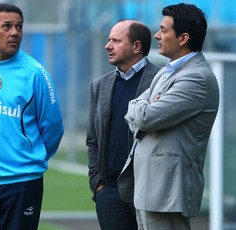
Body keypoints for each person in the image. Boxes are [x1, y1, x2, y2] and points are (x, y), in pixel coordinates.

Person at [0, 3, 64, 229]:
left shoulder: (35, 73)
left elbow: (53, 127)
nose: (15, 32)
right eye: (6, 26)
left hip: (22, 181)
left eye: (19, 26)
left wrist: (30, 158)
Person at [124, 3, 220, 229]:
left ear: (183, 38)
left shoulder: (196, 78)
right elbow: (135, 109)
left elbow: (146, 118)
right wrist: (142, 107)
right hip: (152, 190)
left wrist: (142, 108)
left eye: (163, 30)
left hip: (167, 193)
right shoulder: (170, 70)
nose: (156, 35)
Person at [86, 19, 159, 230]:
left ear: (136, 46)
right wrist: (97, 183)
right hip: (109, 192)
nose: (107, 46)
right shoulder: (99, 85)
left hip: (149, 190)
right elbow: (92, 140)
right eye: (109, 40)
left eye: (116, 41)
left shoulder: (161, 80)